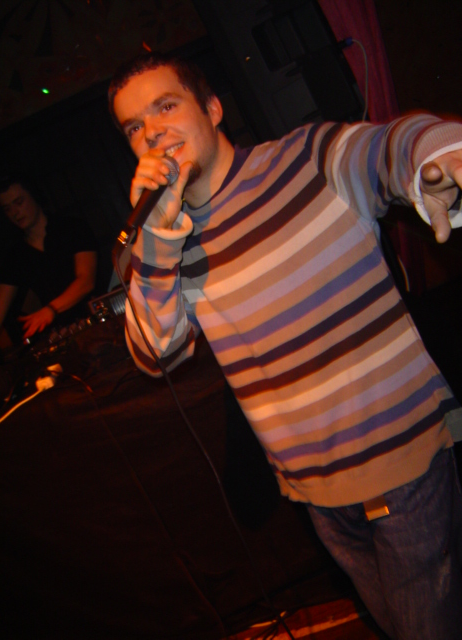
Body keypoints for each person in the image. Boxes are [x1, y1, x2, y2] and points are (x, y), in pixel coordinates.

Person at [107, 52, 462, 639]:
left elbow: (389, 146)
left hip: (404, 464)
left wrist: (442, 150)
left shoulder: (306, 160)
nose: (152, 133)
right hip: (316, 494)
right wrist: (156, 237)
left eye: (166, 106)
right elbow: (155, 352)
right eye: (134, 127)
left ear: (212, 108)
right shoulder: (171, 240)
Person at [0, 174, 98, 351]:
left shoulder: (72, 228)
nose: (15, 212)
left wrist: (50, 310)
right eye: (7, 209)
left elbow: (86, 281)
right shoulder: (16, 255)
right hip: (62, 336)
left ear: (34, 196)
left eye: (18, 202)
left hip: (97, 322)